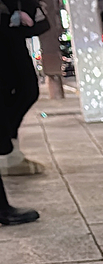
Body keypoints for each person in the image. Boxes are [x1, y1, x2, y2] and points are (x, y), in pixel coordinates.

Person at [0, 0, 44, 176]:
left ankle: (8, 148)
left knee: (24, 89)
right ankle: (7, 151)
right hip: (5, 22)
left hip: (9, 23)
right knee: (22, 87)